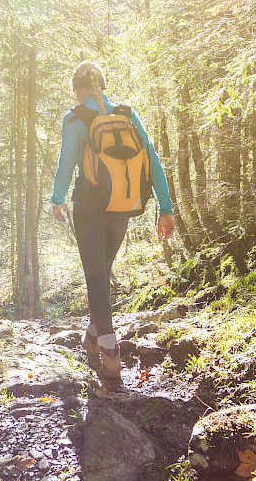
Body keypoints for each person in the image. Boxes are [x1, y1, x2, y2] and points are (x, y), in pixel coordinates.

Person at [50, 60, 175, 388]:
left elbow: (66, 164)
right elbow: (152, 158)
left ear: (78, 89)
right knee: (102, 276)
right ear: (102, 86)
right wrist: (166, 207)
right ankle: (93, 336)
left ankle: (110, 355)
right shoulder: (126, 114)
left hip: (89, 208)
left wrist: (56, 198)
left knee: (95, 277)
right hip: (123, 208)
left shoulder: (75, 118)